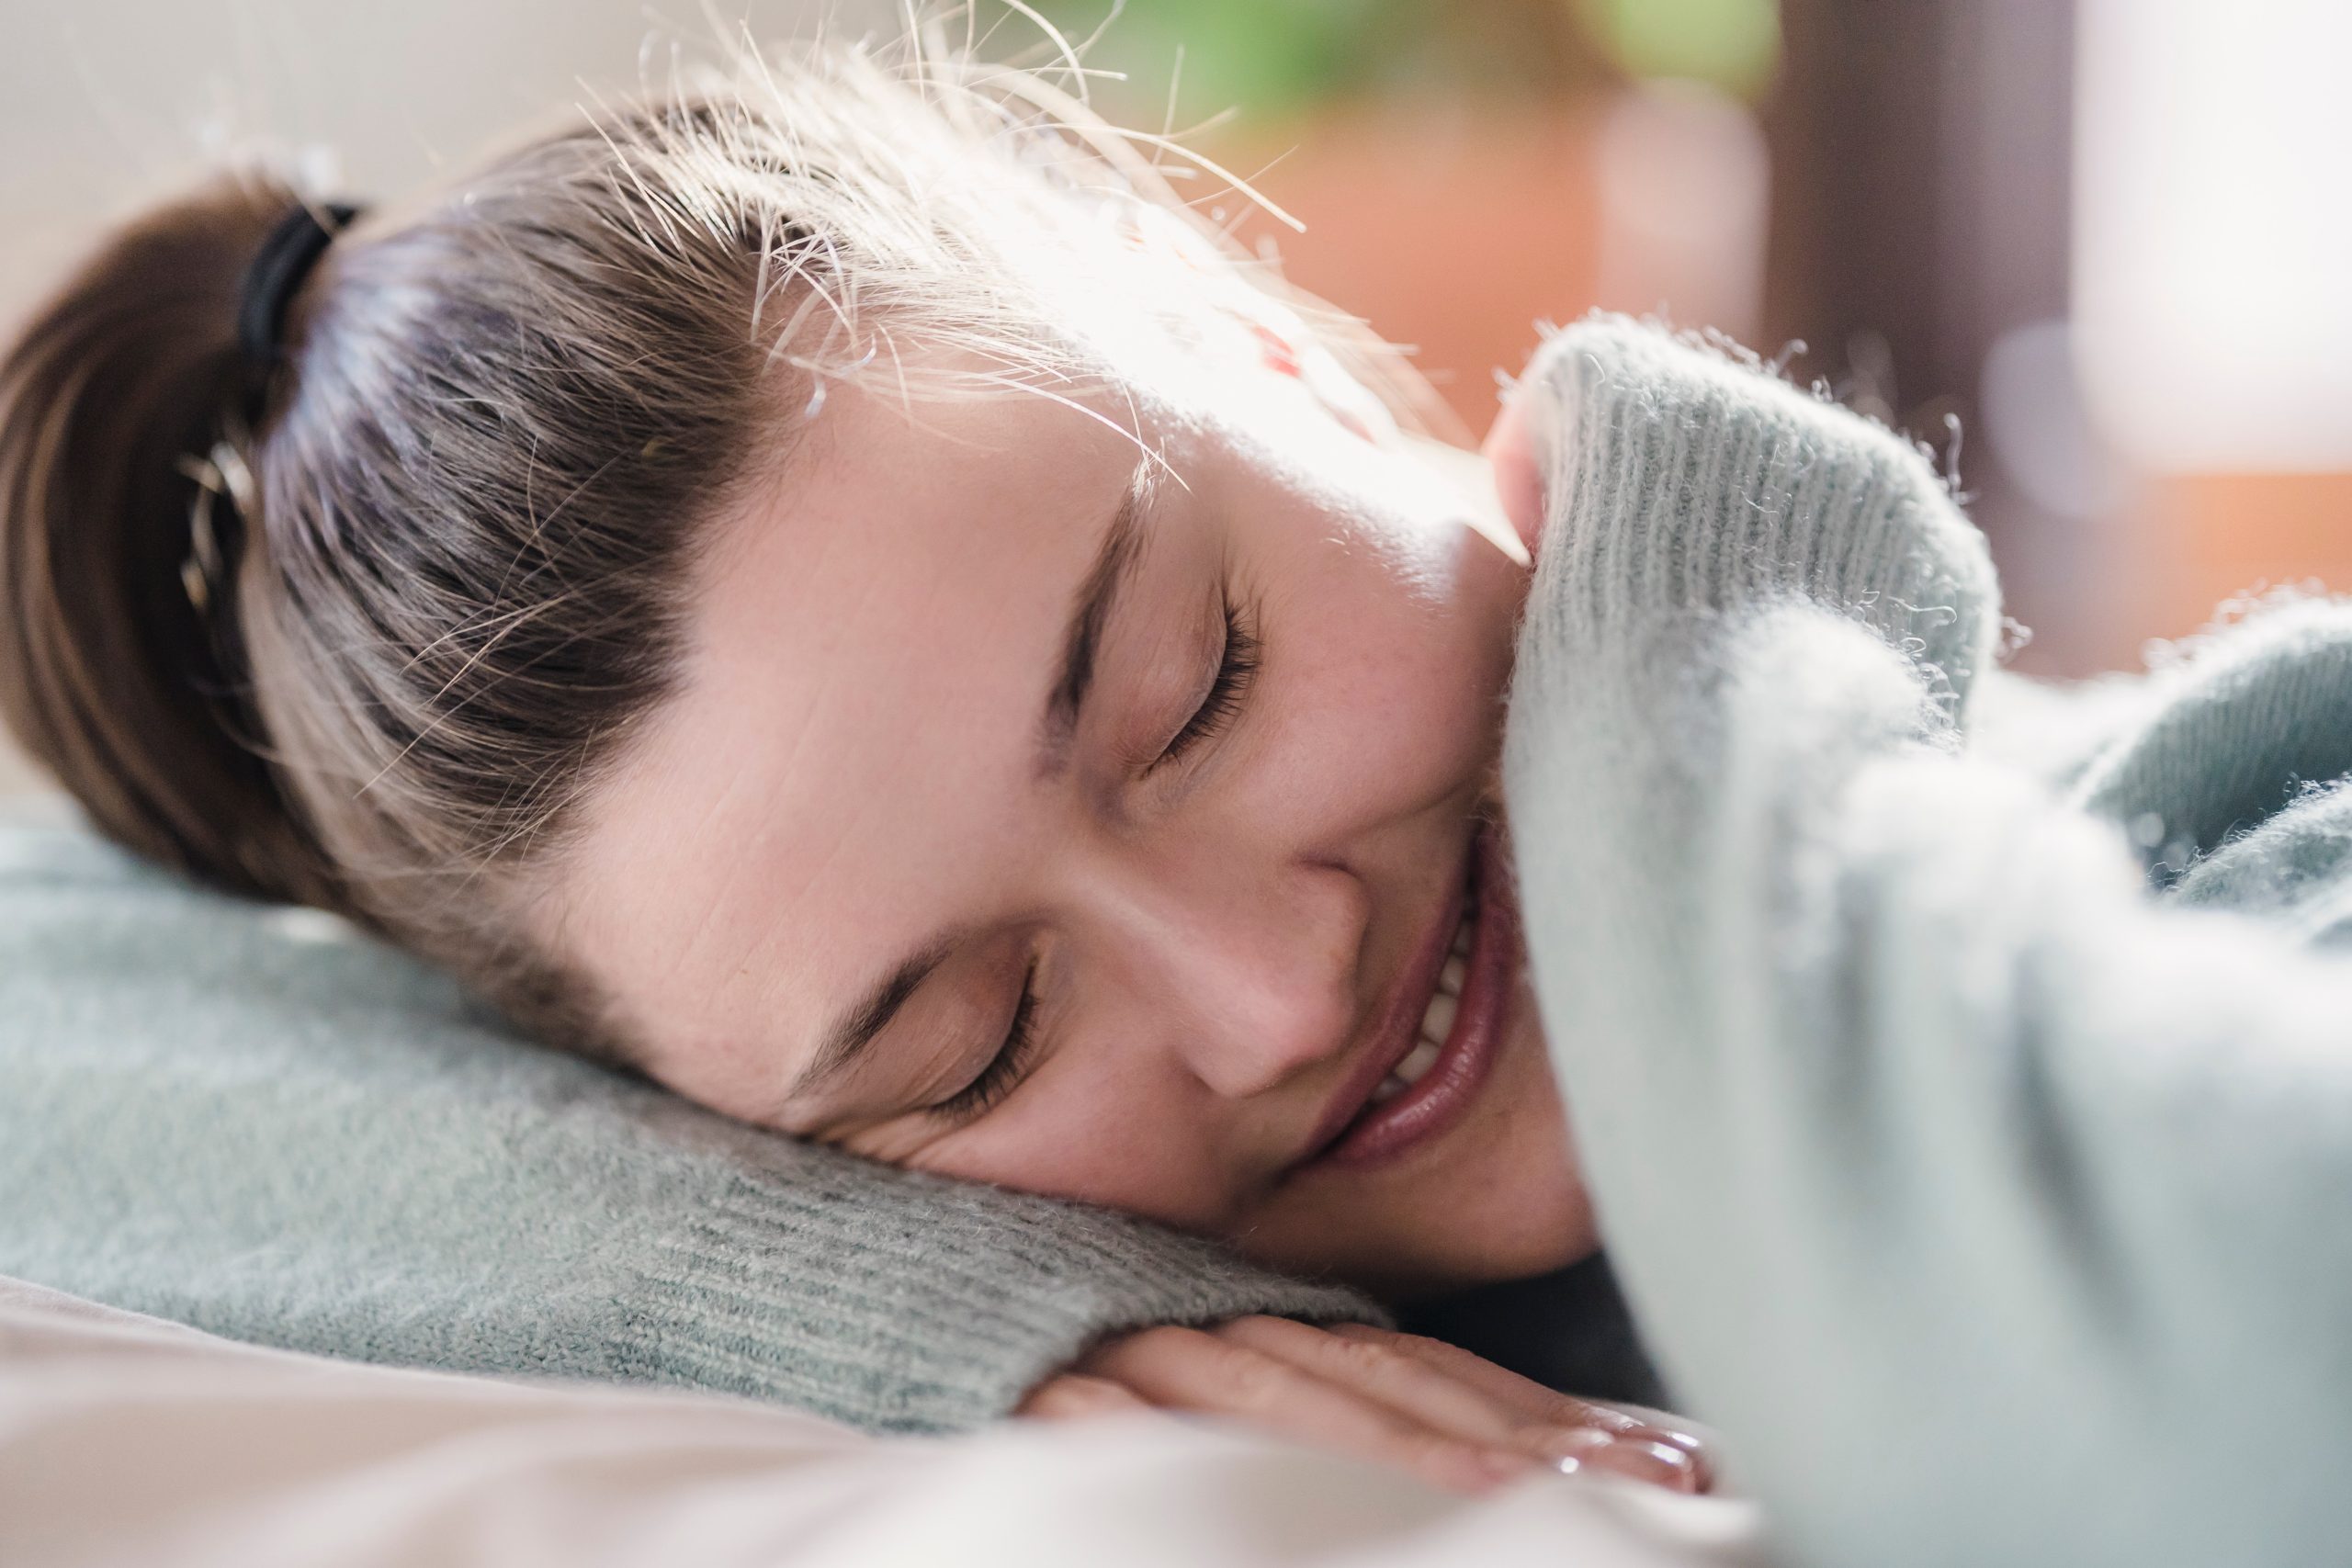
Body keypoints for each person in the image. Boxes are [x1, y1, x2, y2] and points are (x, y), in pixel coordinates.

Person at [9, 28, 2352, 1568]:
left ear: (1241, 324)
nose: (1273, 984)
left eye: (1198, 681)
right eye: (976, 1041)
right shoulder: (1074, 1300)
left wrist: (1703, 642)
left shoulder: (2257, 820)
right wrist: (903, 1298)